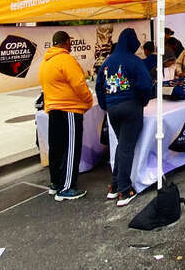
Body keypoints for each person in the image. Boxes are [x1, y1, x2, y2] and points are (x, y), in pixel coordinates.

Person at [96, 28, 152, 207]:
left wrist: (106, 106)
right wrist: (143, 101)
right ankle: (124, 190)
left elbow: (99, 87)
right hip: (131, 107)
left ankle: (114, 185)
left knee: (122, 146)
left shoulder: (107, 62)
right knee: (127, 148)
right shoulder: (134, 61)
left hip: (112, 109)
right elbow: (145, 85)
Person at [39, 30, 94, 200]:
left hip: (54, 109)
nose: (71, 45)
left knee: (56, 148)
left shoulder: (46, 62)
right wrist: (89, 100)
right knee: (71, 149)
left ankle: (55, 184)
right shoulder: (66, 60)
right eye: (70, 42)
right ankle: (67, 187)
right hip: (70, 109)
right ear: (66, 42)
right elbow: (79, 83)